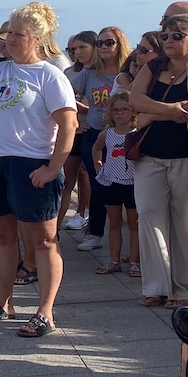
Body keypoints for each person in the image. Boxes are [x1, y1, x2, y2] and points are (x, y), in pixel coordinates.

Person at [0, 2, 77, 338]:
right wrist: (3, 43)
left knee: (44, 242)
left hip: (29, 163)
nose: (10, 38)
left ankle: (45, 312)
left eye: (18, 34)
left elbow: (69, 124)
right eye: (8, 31)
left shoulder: (49, 74)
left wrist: (53, 168)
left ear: (37, 38)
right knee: (2, 237)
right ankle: (3, 302)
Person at [134, 13, 188, 309]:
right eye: (165, 36)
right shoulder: (154, 66)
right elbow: (134, 100)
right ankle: (156, 286)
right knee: (150, 217)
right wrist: (168, 110)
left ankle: (184, 291)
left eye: (177, 36)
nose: (169, 42)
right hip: (150, 154)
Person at [71, 27, 131, 251]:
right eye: (99, 43)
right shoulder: (89, 72)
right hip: (96, 134)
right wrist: (81, 115)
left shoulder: (127, 73)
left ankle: (127, 237)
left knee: (126, 185)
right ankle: (95, 233)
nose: (104, 47)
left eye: (109, 43)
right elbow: (65, 94)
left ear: (119, 44)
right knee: (99, 183)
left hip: (124, 135)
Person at [90, 93, 139, 276]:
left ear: (132, 111)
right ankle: (114, 260)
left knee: (134, 224)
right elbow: (96, 148)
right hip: (112, 182)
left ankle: (134, 261)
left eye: (124, 109)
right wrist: (97, 164)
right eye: (116, 110)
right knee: (114, 223)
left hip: (133, 182)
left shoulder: (137, 133)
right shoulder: (107, 134)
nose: (120, 114)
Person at [60, 31, 96, 232]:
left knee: (88, 175)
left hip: (93, 129)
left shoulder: (99, 72)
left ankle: (84, 212)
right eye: (73, 49)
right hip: (75, 129)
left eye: (82, 47)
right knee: (68, 178)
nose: (76, 52)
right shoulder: (69, 72)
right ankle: (57, 225)